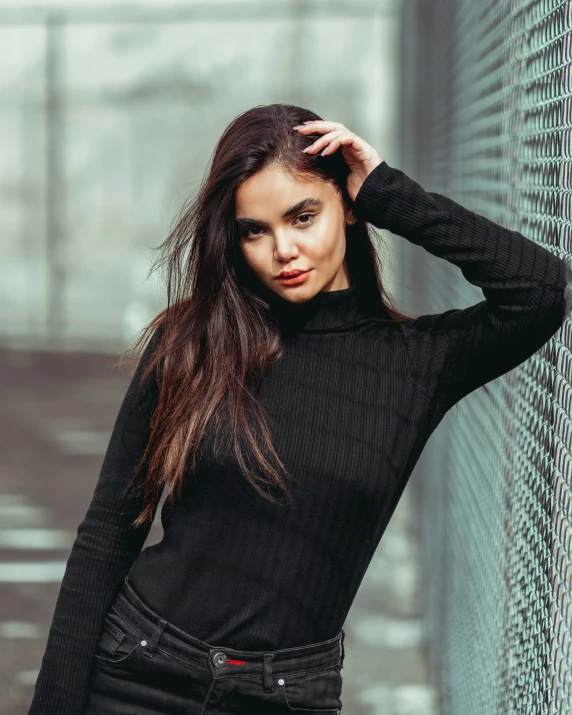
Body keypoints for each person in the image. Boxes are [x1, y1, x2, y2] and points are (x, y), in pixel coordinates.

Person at [28, 104, 568, 715]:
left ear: (348, 206)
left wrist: (391, 192)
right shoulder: (193, 344)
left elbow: (541, 290)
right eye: (254, 229)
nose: (283, 249)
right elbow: (107, 532)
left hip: (286, 696)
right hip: (140, 668)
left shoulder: (418, 361)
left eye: (303, 216)